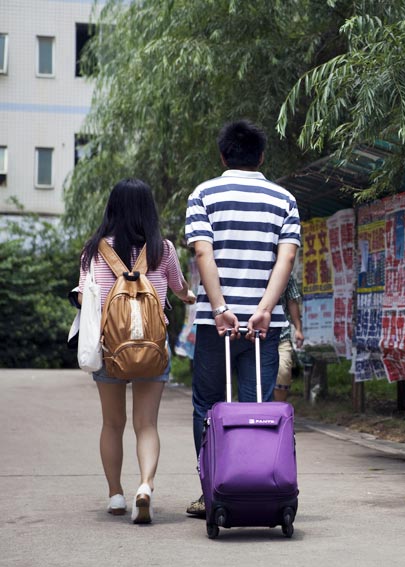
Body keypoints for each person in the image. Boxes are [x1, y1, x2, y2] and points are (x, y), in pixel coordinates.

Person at [184, 119, 301, 517]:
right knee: (257, 405)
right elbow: (285, 258)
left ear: (223, 155)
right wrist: (265, 310)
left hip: (214, 323)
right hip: (263, 326)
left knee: (208, 404)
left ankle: (212, 490)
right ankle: (257, 487)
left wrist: (219, 309)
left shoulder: (203, 194)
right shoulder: (284, 199)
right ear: (261, 156)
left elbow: (203, 254)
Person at [78, 178, 196, 524]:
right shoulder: (164, 249)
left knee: (112, 423)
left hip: (110, 348)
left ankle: (116, 495)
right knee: (147, 425)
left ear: (111, 208)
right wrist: (187, 296)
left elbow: (85, 297)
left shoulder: (94, 250)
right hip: (152, 347)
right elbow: (179, 289)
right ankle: (144, 486)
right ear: (149, 210)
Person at [275, 277, 304, 403]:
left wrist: (298, 328)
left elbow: (292, 301)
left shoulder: (286, 273)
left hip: (281, 334)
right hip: (253, 336)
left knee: (283, 371)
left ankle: (277, 411)